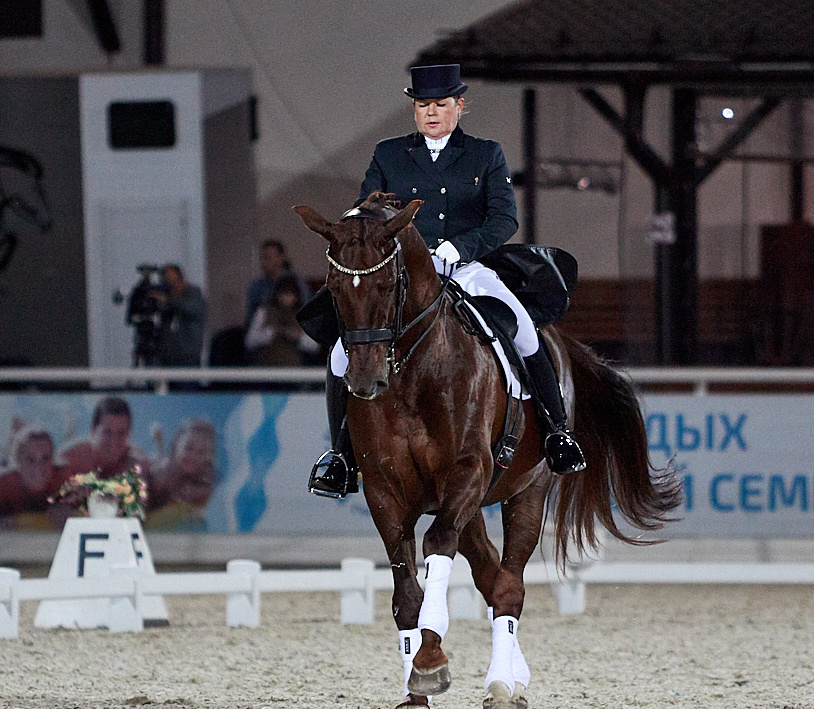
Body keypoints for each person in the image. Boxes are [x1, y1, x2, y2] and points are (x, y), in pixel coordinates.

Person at [307, 63, 587, 498]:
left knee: (524, 331)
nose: (431, 113)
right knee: (342, 354)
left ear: (459, 105)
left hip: (468, 268)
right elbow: (366, 213)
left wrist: (462, 247)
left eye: (440, 104)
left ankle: (557, 432)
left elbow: (504, 218)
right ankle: (340, 456)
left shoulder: (485, 154)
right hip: (402, 272)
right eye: (423, 105)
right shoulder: (389, 154)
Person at [0, 422, 74, 528]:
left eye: (45, 458)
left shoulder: (64, 482)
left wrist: (67, 509)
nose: (39, 467)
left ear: (53, 459)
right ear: (18, 461)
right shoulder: (4, 487)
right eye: (30, 459)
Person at [147, 418, 218, 530]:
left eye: (202, 452)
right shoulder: (162, 470)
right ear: (176, 446)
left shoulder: (206, 484)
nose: (194, 456)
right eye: (189, 448)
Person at [60, 396, 150, 480]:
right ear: (93, 431)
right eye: (107, 432)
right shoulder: (72, 458)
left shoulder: (135, 464)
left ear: (128, 434)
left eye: (121, 433)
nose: (114, 440)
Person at [244, 273, 321, 366]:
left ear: (296, 296)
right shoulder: (264, 311)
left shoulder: (303, 315)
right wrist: (271, 332)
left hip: (294, 367)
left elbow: (315, 346)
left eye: (290, 294)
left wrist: (298, 337)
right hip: (266, 366)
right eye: (283, 294)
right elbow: (250, 341)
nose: (286, 298)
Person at [153, 264, 207, 368]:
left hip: (188, 353)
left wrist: (169, 301)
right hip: (167, 354)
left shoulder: (193, 293)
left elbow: (191, 309)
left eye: (171, 277)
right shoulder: (166, 295)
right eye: (165, 277)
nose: (168, 280)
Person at [246, 239, 310, 325]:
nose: (264, 262)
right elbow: (250, 318)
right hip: (263, 329)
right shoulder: (257, 287)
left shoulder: (296, 283)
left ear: (281, 257)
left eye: (268, 257)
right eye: (262, 258)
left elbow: (307, 313)